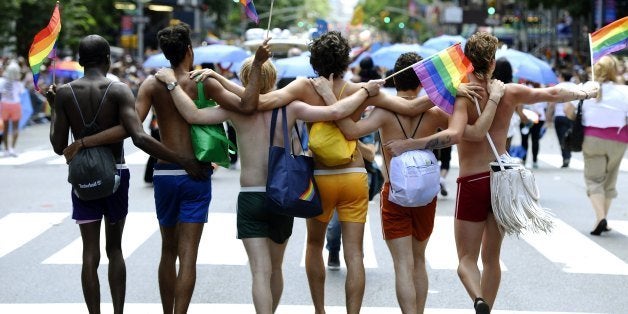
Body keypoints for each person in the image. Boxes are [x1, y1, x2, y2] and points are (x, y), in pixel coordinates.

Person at [193, 31, 483, 314]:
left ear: (314, 60)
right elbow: (406, 107)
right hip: (354, 175)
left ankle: (320, 309)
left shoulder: (302, 87)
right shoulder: (361, 89)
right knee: (354, 254)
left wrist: (219, 78)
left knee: (314, 245)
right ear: (345, 60)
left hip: (319, 178)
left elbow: (258, 102)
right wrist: (447, 90)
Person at [153, 39, 383, 314]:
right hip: (281, 195)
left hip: (250, 197)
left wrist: (171, 83)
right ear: (272, 78)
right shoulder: (292, 108)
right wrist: (365, 91)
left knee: (259, 273)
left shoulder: (233, 112)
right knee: (276, 269)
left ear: (243, 79)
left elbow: (191, 115)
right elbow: (335, 112)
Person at [384, 32, 599, 313]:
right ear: (493, 62)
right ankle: (488, 306)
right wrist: (585, 91)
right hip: (500, 179)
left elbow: (453, 135)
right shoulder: (508, 91)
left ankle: (478, 299)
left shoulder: (463, 93)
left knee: (465, 260)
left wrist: (412, 144)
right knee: (492, 259)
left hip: (472, 181)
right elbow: (552, 93)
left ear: (466, 61)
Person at [65, 24, 251, 314]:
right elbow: (246, 106)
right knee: (188, 257)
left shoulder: (152, 84)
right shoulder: (204, 82)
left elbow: (131, 129)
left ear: (165, 53)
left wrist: (85, 141)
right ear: (190, 50)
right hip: (197, 174)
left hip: (165, 174)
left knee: (168, 251)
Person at [313, 51, 505, 314]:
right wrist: (490, 101)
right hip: (426, 196)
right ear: (422, 83)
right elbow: (467, 133)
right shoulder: (435, 113)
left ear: (396, 80)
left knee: (402, 265)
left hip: (395, 195)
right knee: (418, 260)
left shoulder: (384, 112)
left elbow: (350, 131)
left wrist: (328, 98)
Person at [48, 34, 204, 314]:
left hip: (82, 177)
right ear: (108, 59)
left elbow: (59, 146)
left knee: (89, 253)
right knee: (115, 249)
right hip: (115, 173)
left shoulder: (64, 93)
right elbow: (139, 137)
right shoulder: (118, 90)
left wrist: (56, 110)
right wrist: (181, 158)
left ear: (81, 61)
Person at [564, 55, 628, 236]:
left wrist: (578, 116)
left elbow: (568, 109)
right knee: (610, 179)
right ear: (615, 70)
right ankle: (603, 219)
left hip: (592, 139)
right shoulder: (624, 91)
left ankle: (600, 218)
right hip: (619, 138)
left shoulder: (586, 89)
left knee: (594, 180)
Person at [547, 70, 576, 168]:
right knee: (571, 136)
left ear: (562, 77)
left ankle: (566, 156)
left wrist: (548, 117)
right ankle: (568, 154)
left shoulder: (558, 87)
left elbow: (551, 104)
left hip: (559, 116)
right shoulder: (575, 87)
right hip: (572, 116)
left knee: (561, 138)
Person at [519, 82, 548, 169]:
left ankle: (525, 160)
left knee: (526, 139)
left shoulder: (523, 87)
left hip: (526, 117)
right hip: (537, 117)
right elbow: (545, 104)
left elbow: (520, 103)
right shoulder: (543, 89)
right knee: (534, 139)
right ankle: (534, 160)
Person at [0, 60, 25, 157]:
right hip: (15, 104)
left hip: (4, 104)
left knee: (5, 128)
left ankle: (6, 149)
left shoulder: (2, 81)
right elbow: (21, 93)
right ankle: (12, 149)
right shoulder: (18, 83)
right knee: (15, 127)